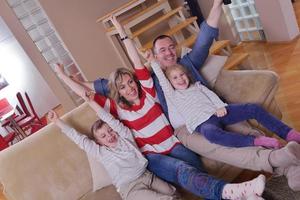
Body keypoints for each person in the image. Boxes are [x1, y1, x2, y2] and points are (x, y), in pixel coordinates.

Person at [62, 0, 300, 191]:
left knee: (245, 129)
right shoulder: (150, 81)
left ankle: (288, 165)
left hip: (211, 110)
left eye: (170, 48)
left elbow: (204, 41)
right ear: (153, 56)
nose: (168, 53)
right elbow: (105, 86)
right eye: (161, 50)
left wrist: (216, 5)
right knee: (219, 146)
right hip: (186, 128)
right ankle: (277, 160)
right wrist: (74, 80)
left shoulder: (187, 64)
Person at [149, 61, 300, 148]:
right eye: (175, 78)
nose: (180, 79)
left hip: (219, 112)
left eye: (182, 75)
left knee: (253, 108)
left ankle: (289, 133)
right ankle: (256, 141)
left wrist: (220, 106)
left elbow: (212, 95)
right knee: (211, 134)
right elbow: (161, 79)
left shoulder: (198, 86)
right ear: (170, 83)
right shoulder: (173, 95)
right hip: (203, 124)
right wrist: (153, 62)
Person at [47, 107, 179, 200]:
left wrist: (91, 102)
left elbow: (111, 121)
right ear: (99, 142)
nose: (109, 136)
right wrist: (58, 122)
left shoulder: (126, 137)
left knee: (172, 192)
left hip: (148, 176)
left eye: (110, 130)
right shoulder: (101, 153)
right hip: (130, 189)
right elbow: (79, 139)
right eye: (103, 136)